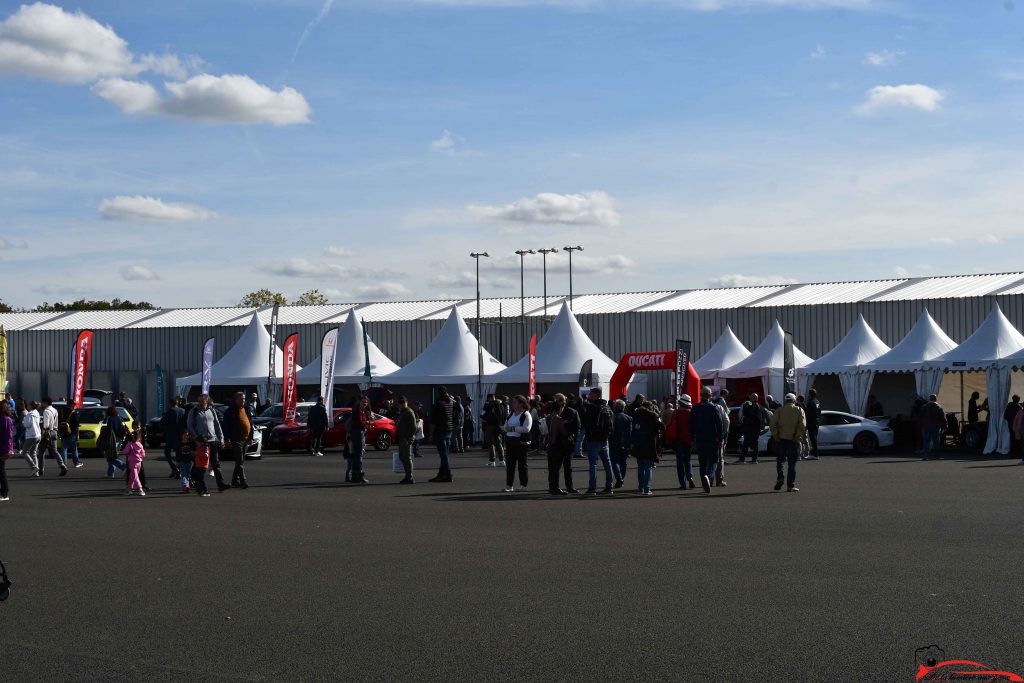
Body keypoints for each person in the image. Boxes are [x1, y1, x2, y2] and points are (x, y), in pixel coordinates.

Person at [187, 394, 229, 492]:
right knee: (199, 464)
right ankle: (196, 482)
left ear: (207, 400)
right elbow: (189, 426)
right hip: (201, 442)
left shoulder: (212, 411)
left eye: (203, 400)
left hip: (212, 440)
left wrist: (221, 439)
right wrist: (196, 438)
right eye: (199, 400)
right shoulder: (194, 412)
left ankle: (221, 484)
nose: (201, 402)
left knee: (215, 463)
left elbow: (217, 425)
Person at [689, 387, 724, 495]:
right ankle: (708, 476)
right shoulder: (714, 408)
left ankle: (705, 482)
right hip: (712, 438)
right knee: (714, 460)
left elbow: (691, 425)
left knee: (702, 462)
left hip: (700, 438)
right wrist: (721, 438)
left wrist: (693, 438)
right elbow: (719, 424)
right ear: (710, 396)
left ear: (701, 395)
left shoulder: (695, 408)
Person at [581, 387, 615, 496]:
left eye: (591, 394)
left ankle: (592, 488)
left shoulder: (592, 407)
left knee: (593, 464)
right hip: (605, 439)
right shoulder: (607, 406)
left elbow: (587, 423)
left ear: (595, 395)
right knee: (607, 463)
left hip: (594, 439)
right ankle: (609, 487)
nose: (589, 396)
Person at [769, 393, 806, 492]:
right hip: (793, 440)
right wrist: (797, 436)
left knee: (780, 461)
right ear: (794, 401)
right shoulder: (799, 410)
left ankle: (780, 477)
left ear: (785, 401)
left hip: (781, 439)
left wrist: (777, 436)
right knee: (792, 464)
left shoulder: (779, 410)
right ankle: (790, 486)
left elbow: (772, 424)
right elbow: (802, 425)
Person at [545, 394, 578, 495]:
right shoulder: (555, 416)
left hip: (561, 444)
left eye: (561, 400)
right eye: (558, 401)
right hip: (558, 444)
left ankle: (562, 487)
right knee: (555, 467)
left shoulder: (569, 412)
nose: (561, 403)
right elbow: (560, 432)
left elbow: (577, 427)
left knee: (562, 467)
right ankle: (554, 488)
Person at [222, 391, 254, 489]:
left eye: (244, 399)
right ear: (235, 400)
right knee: (240, 461)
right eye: (241, 399)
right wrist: (226, 439)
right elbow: (225, 426)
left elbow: (250, 423)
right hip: (236, 439)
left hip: (245, 439)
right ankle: (243, 481)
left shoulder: (246, 409)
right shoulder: (230, 411)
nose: (243, 401)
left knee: (241, 461)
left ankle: (235, 480)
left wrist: (250, 437)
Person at [632, 400, 663, 496]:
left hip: (638, 443)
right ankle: (647, 488)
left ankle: (640, 488)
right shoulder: (652, 416)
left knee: (640, 467)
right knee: (648, 467)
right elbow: (662, 427)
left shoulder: (637, 414)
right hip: (649, 444)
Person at [502, 395, 532, 492]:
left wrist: (513, 428)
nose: (513, 404)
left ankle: (523, 484)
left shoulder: (526, 415)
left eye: (515, 402)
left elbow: (526, 429)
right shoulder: (511, 413)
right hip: (510, 441)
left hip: (520, 442)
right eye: (513, 402)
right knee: (510, 465)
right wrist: (505, 428)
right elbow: (505, 425)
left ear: (521, 404)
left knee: (522, 464)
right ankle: (509, 485)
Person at [668, 394, 694, 489]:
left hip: (678, 439)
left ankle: (683, 482)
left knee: (680, 462)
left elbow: (671, 425)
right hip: (689, 440)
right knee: (688, 460)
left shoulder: (676, 412)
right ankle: (690, 476)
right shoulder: (691, 413)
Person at [429, 387, 455, 483]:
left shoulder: (438, 404)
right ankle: (441, 474)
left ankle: (448, 475)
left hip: (440, 431)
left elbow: (433, 421)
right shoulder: (450, 402)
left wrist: (431, 434)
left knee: (443, 455)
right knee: (445, 454)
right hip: (449, 429)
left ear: (439, 393)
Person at [39, 397, 68, 476]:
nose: (42, 404)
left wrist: (43, 432)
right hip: (54, 431)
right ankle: (62, 465)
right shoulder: (55, 410)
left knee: (41, 452)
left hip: (47, 433)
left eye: (43, 402)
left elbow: (46, 425)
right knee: (55, 451)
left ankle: (40, 470)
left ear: (46, 403)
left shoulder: (46, 411)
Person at [735, 393, 766, 465]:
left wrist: (745, 405)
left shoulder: (750, 406)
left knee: (746, 443)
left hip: (750, 427)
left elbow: (746, 414)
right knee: (755, 443)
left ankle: (742, 459)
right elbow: (763, 417)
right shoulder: (761, 407)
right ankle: (754, 459)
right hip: (757, 428)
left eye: (752, 397)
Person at [348, 395, 372, 484]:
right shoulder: (359, 411)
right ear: (359, 402)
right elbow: (361, 422)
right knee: (359, 454)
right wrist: (369, 422)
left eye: (366, 402)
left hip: (356, 432)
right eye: (363, 402)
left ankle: (354, 475)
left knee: (356, 454)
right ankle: (359, 475)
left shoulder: (358, 410)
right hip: (359, 432)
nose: (365, 404)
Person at [610, 399, 633, 487]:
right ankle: (621, 478)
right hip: (626, 442)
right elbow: (630, 431)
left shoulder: (613, 417)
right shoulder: (629, 418)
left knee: (614, 461)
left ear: (615, 407)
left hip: (614, 441)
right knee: (623, 462)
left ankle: (619, 479)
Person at [100, 405, 127, 478]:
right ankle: (110, 473)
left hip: (112, 439)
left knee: (111, 456)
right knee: (113, 455)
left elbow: (109, 430)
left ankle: (124, 467)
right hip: (119, 438)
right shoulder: (119, 418)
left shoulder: (110, 419)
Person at [395, 396, 417, 484]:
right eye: (401, 402)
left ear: (407, 402)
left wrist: (409, 437)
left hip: (406, 438)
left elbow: (414, 427)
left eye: (404, 402)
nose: (402, 403)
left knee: (407, 457)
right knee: (402, 457)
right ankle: (407, 475)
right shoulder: (402, 412)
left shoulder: (409, 411)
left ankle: (410, 477)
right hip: (402, 438)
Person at [161, 398, 185, 478]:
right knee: (179, 453)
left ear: (170, 404)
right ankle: (177, 470)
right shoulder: (183, 411)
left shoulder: (169, 412)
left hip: (171, 435)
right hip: (181, 435)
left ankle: (174, 468)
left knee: (167, 452)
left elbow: (163, 423)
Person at [919, 394, 946, 461]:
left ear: (929, 399)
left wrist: (920, 425)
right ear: (935, 399)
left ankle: (925, 455)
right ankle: (937, 455)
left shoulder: (924, 406)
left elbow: (920, 417)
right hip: (936, 427)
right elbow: (943, 418)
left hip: (926, 427)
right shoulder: (939, 407)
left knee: (926, 441)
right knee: (936, 441)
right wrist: (945, 426)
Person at [481, 394, 505, 467]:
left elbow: (482, 415)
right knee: (498, 442)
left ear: (489, 398)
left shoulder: (488, 405)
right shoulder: (500, 405)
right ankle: (502, 460)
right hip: (498, 425)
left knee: (490, 443)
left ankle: (492, 461)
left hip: (490, 425)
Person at [57, 402, 83, 469]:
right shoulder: (73, 413)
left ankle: (64, 464)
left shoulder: (61, 412)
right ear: (71, 405)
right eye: (74, 405)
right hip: (72, 433)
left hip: (63, 433)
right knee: (74, 449)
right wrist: (78, 435)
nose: (74, 407)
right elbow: (77, 426)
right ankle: (76, 462)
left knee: (64, 449)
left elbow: (58, 422)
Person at [713, 389, 730, 486]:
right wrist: (725, 432)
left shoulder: (713, 402)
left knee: (709, 458)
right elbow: (726, 419)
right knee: (720, 457)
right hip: (719, 434)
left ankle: (709, 478)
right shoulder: (721, 403)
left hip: (708, 435)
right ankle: (719, 479)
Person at [122, 429, 146, 496]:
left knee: (134, 476)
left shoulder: (129, 444)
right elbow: (143, 454)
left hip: (132, 462)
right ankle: (129, 489)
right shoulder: (140, 445)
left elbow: (125, 452)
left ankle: (140, 489)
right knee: (133, 476)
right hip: (139, 462)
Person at [21, 400, 42, 477]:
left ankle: (34, 467)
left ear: (31, 406)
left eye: (28, 405)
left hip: (31, 436)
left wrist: (23, 422)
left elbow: (27, 425)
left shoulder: (29, 414)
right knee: (33, 453)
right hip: (38, 435)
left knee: (24, 452)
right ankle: (36, 472)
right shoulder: (37, 413)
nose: (27, 406)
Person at [0, 401, 14, 501]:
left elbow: (8, 436)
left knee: (1, 471)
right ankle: (4, 492)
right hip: (2, 447)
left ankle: (4, 494)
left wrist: (8, 450)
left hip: (2, 449)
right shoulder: (3, 419)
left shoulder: (5, 419)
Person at [804, 389, 822, 460]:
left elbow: (808, 414)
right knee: (814, 438)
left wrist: (807, 423)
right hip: (816, 421)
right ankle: (815, 453)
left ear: (810, 394)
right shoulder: (817, 401)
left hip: (811, 422)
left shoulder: (811, 402)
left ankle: (815, 454)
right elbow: (819, 411)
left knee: (813, 439)